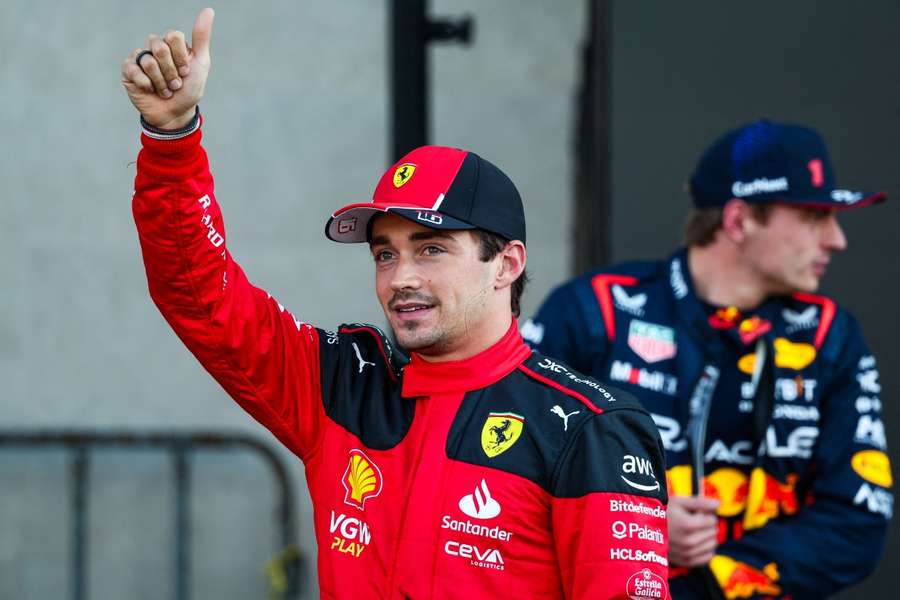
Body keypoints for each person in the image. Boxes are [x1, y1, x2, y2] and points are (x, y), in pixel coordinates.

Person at [121, 9, 669, 599]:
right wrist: (172, 138)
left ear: (506, 264)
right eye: (385, 254)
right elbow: (198, 292)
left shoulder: (590, 428)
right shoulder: (343, 383)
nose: (400, 277)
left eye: (431, 250)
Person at [524, 119, 893, 599]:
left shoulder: (829, 337)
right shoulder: (594, 312)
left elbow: (857, 518)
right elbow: (506, 474)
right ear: (740, 220)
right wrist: (638, 527)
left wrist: (708, 581)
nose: (836, 239)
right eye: (813, 217)